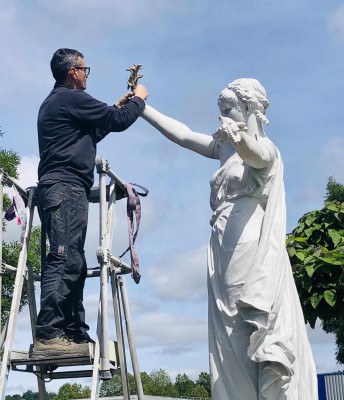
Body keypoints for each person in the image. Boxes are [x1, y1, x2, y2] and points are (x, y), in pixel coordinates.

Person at [140, 78, 317, 399]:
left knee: (247, 320)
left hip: (249, 247)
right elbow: (184, 136)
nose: (221, 115)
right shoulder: (224, 147)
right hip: (221, 246)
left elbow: (257, 156)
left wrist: (240, 138)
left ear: (248, 107)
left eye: (227, 108)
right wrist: (142, 109)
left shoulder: (264, 148)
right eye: (219, 109)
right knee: (228, 328)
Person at [34, 48, 148, 357]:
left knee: (74, 260)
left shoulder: (59, 102)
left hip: (63, 188)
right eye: (85, 69)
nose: (87, 75)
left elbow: (96, 128)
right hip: (65, 187)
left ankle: (72, 331)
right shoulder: (71, 98)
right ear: (72, 72)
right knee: (63, 257)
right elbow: (118, 120)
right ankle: (49, 334)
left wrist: (116, 107)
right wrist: (138, 99)